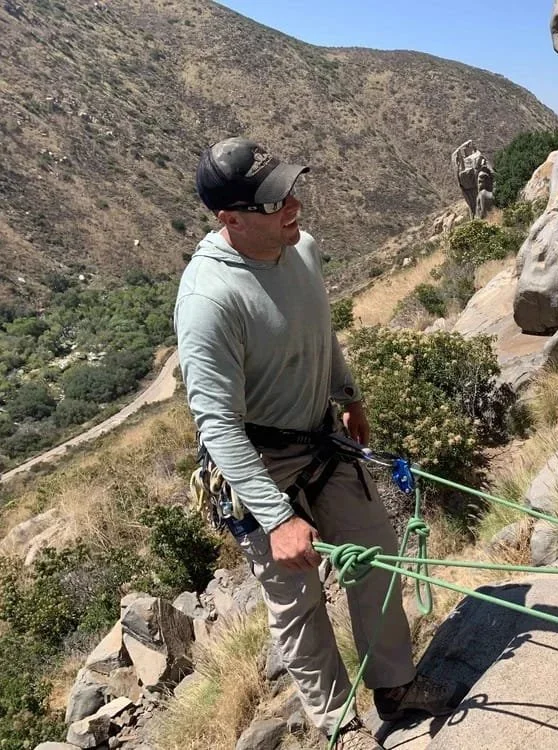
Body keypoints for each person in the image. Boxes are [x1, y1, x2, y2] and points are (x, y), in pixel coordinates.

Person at [174, 137, 460, 749]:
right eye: (275, 200)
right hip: (259, 466)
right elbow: (218, 426)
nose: (294, 204)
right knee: (298, 602)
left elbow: (319, 329)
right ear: (230, 219)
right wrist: (276, 519)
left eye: (290, 189)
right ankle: (339, 729)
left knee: (376, 556)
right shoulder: (209, 299)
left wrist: (349, 394)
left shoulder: (300, 248)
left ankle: (395, 687)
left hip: (322, 441)